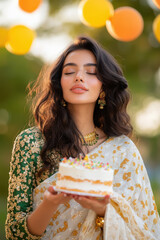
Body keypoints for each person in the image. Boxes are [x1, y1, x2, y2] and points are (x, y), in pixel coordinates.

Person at [5, 36, 160, 240]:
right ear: (59, 84)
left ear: (104, 86)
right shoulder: (31, 143)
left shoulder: (123, 150)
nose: (79, 77)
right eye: (69, 71)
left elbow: (145, 230)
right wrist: (50, 204)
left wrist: (104, 212)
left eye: (91, 72)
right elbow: (15, 233)